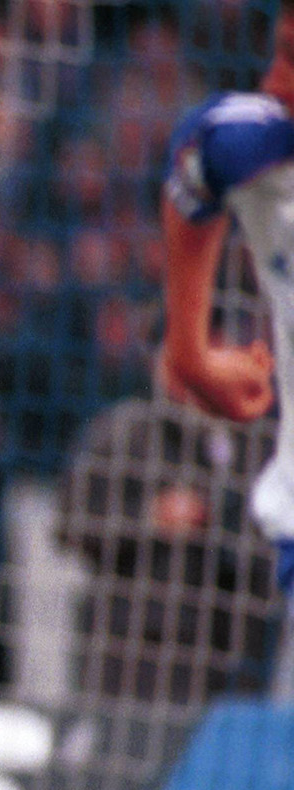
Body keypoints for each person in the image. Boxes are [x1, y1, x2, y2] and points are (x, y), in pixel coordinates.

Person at [160, 0, 294, 594]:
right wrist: (190, 353)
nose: (275, 83)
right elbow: (201, 150)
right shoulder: (261, 152)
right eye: (281, 52)